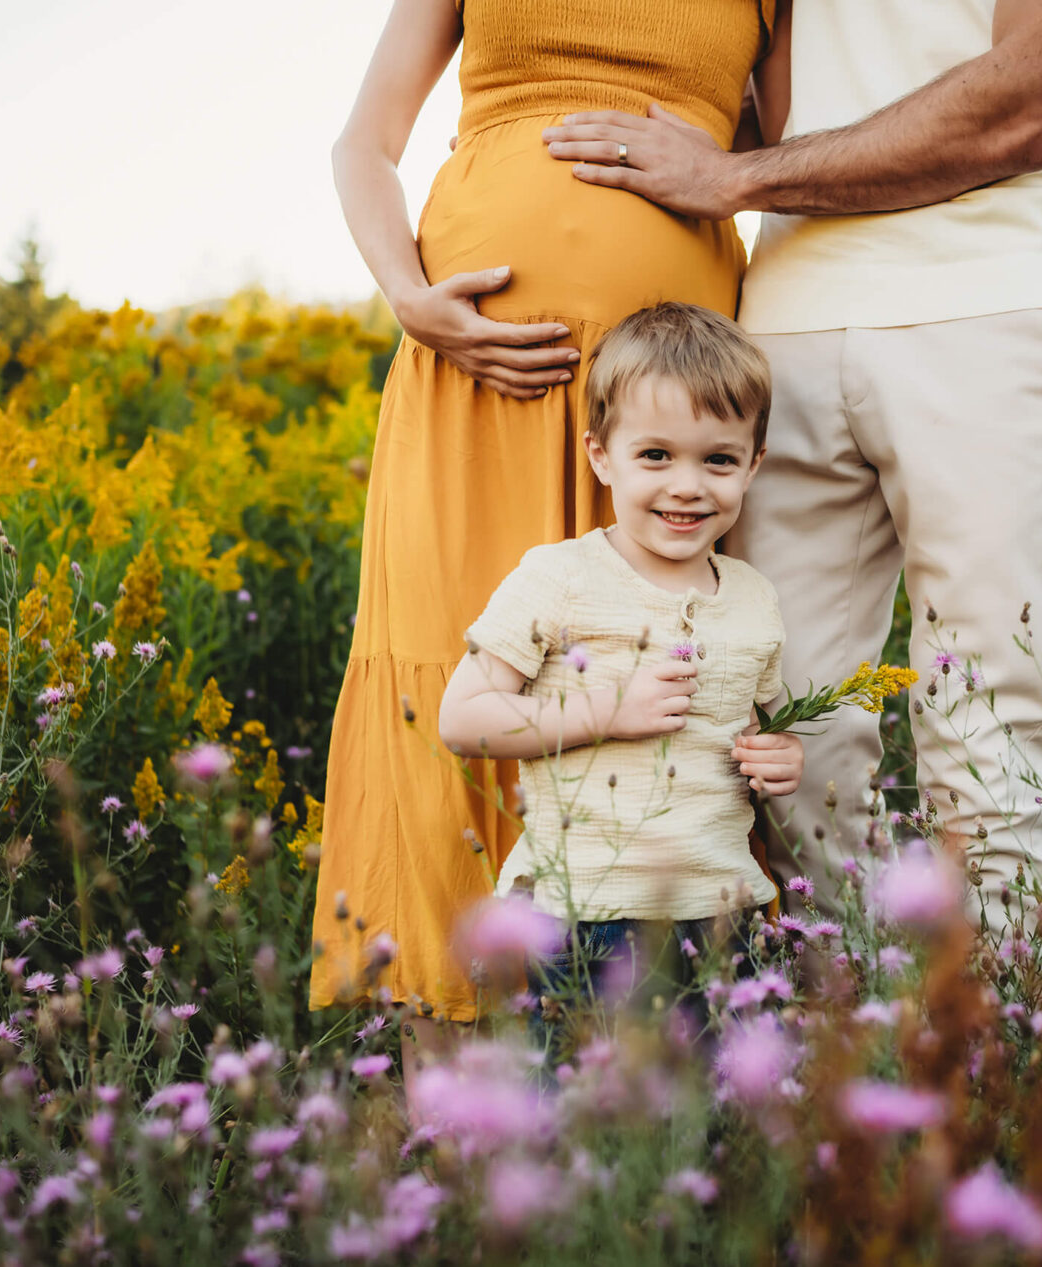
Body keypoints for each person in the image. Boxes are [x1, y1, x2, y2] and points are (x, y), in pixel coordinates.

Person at [540, 0, 1042, 932]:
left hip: (986, 307)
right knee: (782, 735)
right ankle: (850, 1037)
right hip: (785, 319)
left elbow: (1027, 108)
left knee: (985, 725)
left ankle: (996, 1054)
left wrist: (738, 178)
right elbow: (751, 90)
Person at [308, 1, 788, 1056]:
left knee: (651, 678)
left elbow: (806, 148)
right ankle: (451, 1085)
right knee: (454, 670)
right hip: (471, 371)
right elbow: (364, 143)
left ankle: (637, 1057)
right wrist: (408, 295)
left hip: (670, 405)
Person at [437, 302, 801, 1053]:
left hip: (722, 911)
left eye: (719, 460)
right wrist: (605, 710)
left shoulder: (753, 596)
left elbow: (766, 724)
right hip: (585, 915)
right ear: (602, 456)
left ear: (754, 465)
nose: (688, 486)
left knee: (713, 1131)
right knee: (588, 1126)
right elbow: (462, 716)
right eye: (656, 456)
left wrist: (780, 757)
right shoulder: (561, 577)